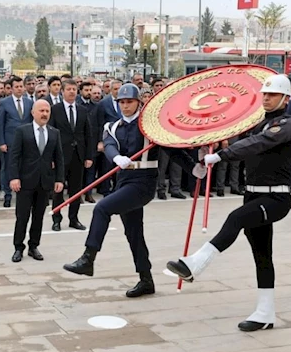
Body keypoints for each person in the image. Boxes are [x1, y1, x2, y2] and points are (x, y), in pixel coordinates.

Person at [167, 73, 291, 332]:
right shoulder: (259, 123)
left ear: (286, 98)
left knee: (236, 218)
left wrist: (222, 156)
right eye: (265, 94)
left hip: (275, 197)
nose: (267, 98)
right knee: (262, 256)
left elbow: (256, 144)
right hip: (252, 193)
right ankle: (265, 313)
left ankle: (195, 264)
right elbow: (241, 138)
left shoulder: (288, 125)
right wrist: (210, 148)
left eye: (272, 95)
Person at [63, 83, 201, 298]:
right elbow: (109, 146)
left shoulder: (150, 127)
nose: (126, 106)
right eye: (122, 102)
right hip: (124, 180)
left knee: (102, 208)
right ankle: (146, 280)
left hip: (143, 182)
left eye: (130, 102)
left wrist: (193, 168)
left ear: (139, 103)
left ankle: (88, 258)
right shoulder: (112, 126)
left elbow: (173, 152)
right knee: (134, 233)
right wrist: (116, 157)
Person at [8, 99, 65, 263]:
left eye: (47, 111)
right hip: (25, 181)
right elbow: (14, 157)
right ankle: (18, 247)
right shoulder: (22, 131)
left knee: (38, 217)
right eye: (41, 111)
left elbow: (59, 158)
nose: (44, 114)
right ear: (33, 113)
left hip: (44, 182)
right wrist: (14, 177)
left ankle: (34, 246)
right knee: (22, 216)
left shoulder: (54, 133)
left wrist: (59, 179)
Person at [49, 78, 94, 231]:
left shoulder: (82, 110)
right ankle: (56, 219)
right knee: (58, 189)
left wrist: (89, 156)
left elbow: (88, 134)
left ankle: (73, 219)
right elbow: (51, 135)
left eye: (74, 89)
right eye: (69, 89)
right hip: (61, 155)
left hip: (78, 155)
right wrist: (51, 158)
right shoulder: (55, 109)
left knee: (76, 190)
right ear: (62, 91)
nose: (72, 92)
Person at [0, 76, 33, 207]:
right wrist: (1, 142)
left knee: (25, 167)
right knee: (7, 167)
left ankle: (22, 192)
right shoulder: (4, 103)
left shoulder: (29, 102)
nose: (19, 89)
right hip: (9, 141)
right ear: (11, 89)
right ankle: (7, 193)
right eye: (16, 87)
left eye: (21, 86)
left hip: (26, 141)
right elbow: (0, 124)